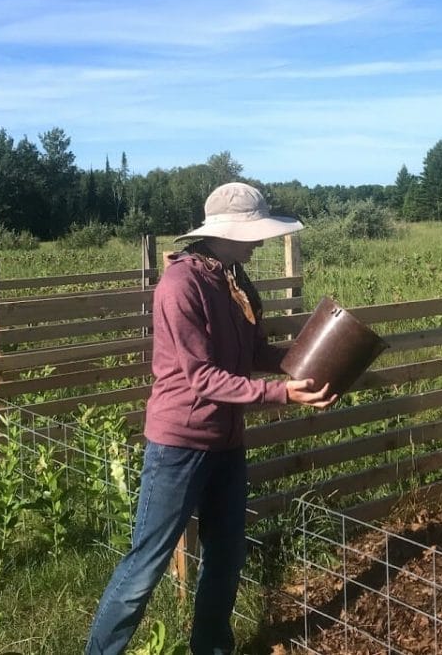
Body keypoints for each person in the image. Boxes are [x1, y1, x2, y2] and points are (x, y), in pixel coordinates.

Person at [85, 182, 336, 655]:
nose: (261, 241)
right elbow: (202, 378)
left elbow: (254, 350)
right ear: (227, 231)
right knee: (146, 566)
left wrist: (308, 362)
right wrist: (283, 394)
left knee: (225, 557)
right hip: (180, 443)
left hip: (227, 441)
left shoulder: (234, 278)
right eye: (255, 232)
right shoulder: (181, 285)